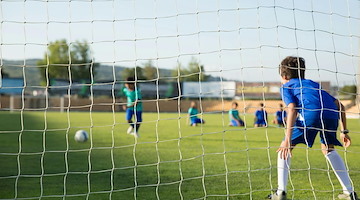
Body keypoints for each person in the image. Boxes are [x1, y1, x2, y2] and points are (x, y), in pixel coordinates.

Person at [269, 56, 357, 200]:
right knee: (328, 149)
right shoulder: (313, 84)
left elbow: (292, 109)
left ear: (283, 75)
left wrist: (287, 140)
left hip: (312, 115)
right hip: (330, 115)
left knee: (284, 147)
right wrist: (344, 131)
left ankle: (280, 192)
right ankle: (349, 192)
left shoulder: (287, 86)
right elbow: (339, 105)